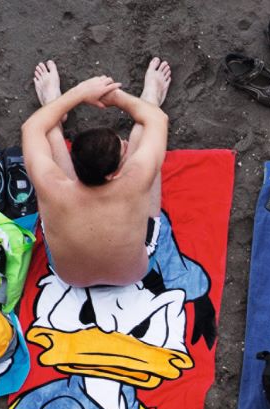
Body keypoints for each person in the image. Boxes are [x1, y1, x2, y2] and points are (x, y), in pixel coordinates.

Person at [22, 59, 173, 287]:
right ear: (114, 174)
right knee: (143, 132)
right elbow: (157, 120)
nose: (124, 144)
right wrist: (117, 98)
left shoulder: (50, 184)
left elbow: (32, 127)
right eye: (122, 149)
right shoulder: (136, 178)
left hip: (71, 277)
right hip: (132, 274)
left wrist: (79, 93)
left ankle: (53, 104)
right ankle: (150, 99)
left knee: (50, 132)